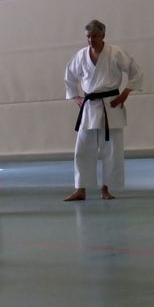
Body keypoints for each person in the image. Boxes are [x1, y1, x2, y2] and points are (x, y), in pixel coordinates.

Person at [64, 19, 143, 201]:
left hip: (111, 105)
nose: (91, 40)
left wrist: (125, 94)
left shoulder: (115, 53)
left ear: (103, 36)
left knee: (111, 150)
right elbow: (69, 76)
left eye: (94, 36)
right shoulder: (81, 56)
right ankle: (80, 189)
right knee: (82, 148)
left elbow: (136, 72)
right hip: (90, 106)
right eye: (88, 36)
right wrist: (75, 97)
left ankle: (106, 189)